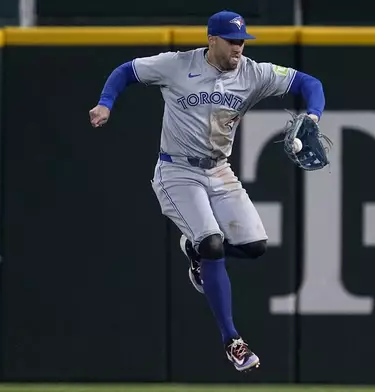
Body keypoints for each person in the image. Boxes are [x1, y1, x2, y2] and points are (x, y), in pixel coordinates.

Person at [88, 9, 325, 373]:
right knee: (212, 242)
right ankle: (233, 341)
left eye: (243, 41)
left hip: (219, 169)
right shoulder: (177, 64)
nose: (239, 48)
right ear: (211, 39)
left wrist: (312, 117)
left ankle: (193, 252)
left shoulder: (253, 73)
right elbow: (126, 71)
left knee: (254, 247)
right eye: (232, 41)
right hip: (177, 170)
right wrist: (106, 103)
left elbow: (309, 83)